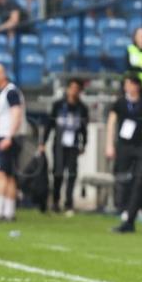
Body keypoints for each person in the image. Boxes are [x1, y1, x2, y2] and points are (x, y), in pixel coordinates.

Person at [106, 76, 142, 214]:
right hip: (123, 145)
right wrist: (109, 145)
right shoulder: (120, 103)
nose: (128, 87)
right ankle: (121, 206)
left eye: (130, 84)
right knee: (121, 176)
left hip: (139, 145)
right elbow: (111, 124)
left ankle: (135, 207)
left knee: (138, 176)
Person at [41, 78, 89, 215]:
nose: (74, 91)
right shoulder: (58, 105)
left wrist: (83, 143)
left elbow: (84, 128)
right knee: (58, 173)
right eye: (72, 88)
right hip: (59, 144)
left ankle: (69, 203)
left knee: (72, 174)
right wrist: (43, 142)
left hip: (73, 144)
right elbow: (49, 125)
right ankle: (56, 201)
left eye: (76, 89)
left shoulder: (82, 108)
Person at [0, 63, 25, 222]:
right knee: (9, 176)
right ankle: (9, 211)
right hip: (9, 136)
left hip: (8, 137)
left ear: (1, 75)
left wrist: (9, 136)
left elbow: (17, 114)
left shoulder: (11, 92)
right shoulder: (4, 93)